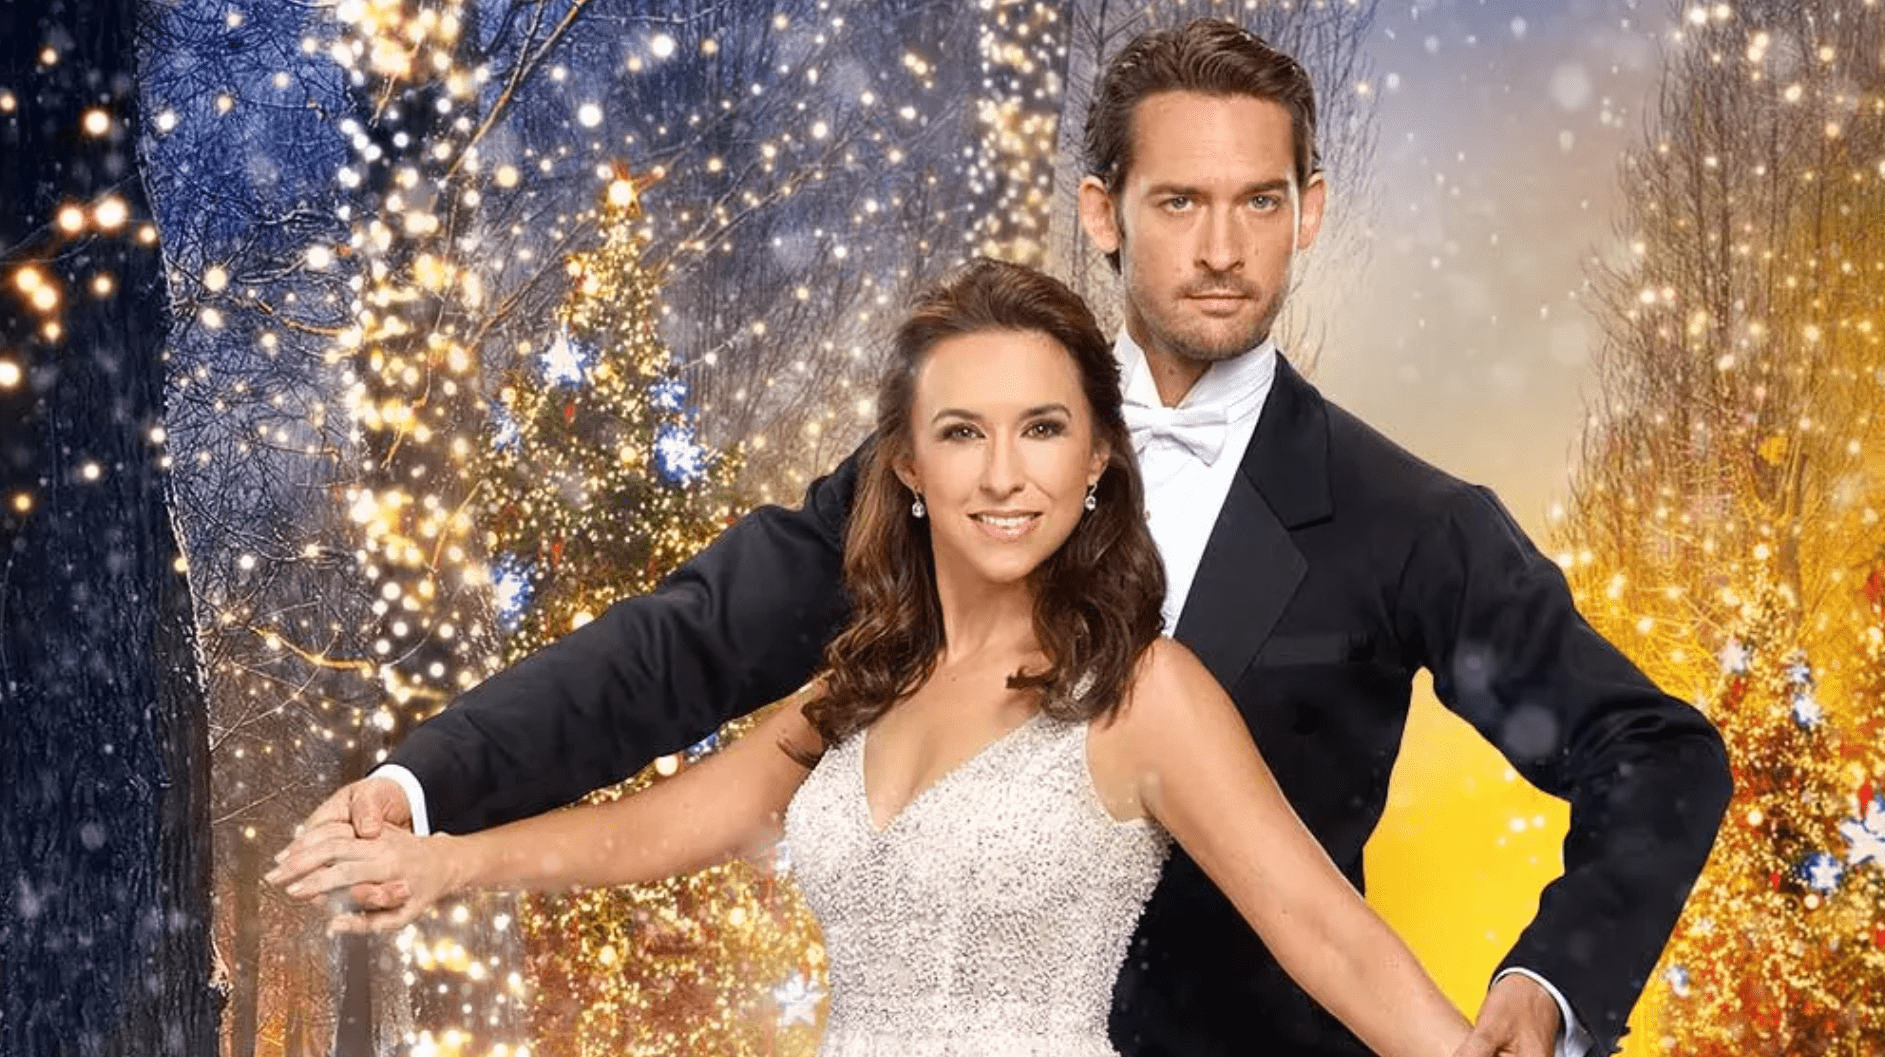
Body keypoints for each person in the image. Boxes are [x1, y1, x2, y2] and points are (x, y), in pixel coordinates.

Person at [275, 19, 1731, 1057]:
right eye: (1177, 202)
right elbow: (690, 645)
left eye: (1256, 204)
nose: (1219, 249)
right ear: (1104, 212)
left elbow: (1653, 753)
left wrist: (1554, 978)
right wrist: (428, 790)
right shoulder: (939, 482)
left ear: (1308, 215)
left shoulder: (1415, 526)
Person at [271, 259, 1477, 1057]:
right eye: (962, 432)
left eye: (1043, 429)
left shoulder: (1142, 694)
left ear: (1100, 459)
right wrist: (447, 862)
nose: (1003, 474)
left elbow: (1327, 933)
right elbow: (656, 829)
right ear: (904, 465)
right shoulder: (856, 689)